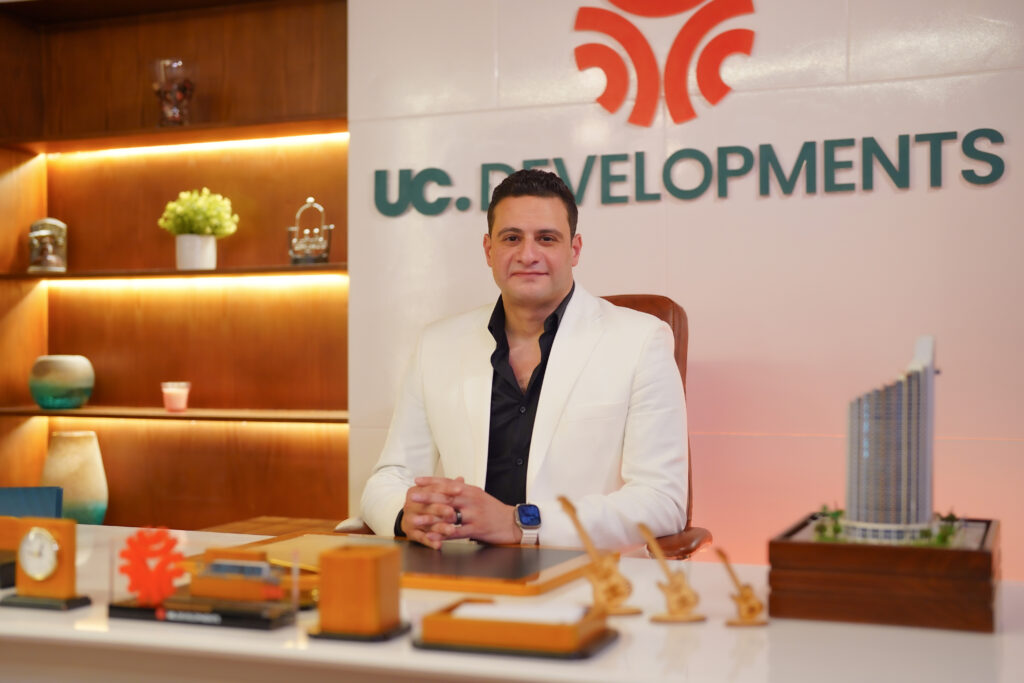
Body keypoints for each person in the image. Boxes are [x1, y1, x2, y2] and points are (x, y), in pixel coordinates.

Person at [360, 169, 688, 550]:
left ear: (575, 249)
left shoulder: (641, 340)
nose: (527, 255)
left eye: (546, 238)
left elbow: (662, 500)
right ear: (489, 250)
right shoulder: (436, 345)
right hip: (457, 570)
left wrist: (518, 523)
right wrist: (407, 515)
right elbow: (389, 479)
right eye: (511, 238)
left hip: (587, 574)